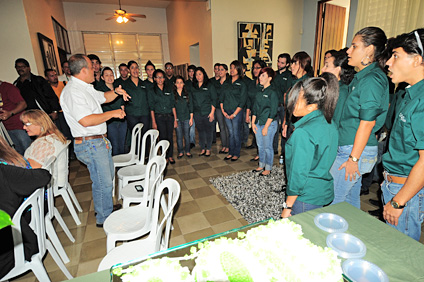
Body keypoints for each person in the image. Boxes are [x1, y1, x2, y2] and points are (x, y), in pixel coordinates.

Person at [60, 54, 129, 227]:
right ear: (83, 70)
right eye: (92, 67)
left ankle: (105, 209)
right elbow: (86, 120)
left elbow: (103, 98)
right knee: (102, 181)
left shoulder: (85, 87)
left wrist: (116, 92)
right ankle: (104, 218)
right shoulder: (73, 92)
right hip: (89, 143)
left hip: (98, 141)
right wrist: (112, 113)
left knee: (106, 179)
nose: (95, 69)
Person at [330, 27, 389, 209]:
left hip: (354, 150)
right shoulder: (362, 77)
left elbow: (368, 122)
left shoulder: (372, 79)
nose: (348, 51)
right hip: (351, 147)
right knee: (349, 201)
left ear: (369, 50)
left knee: (333, 200)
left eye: (354, 46)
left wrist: (353, 159)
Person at [381, 29, 424, 241]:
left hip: (406, 190)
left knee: (401, 258)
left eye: (396, 56)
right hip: (394, 184)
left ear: (417, 60)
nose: (389, 63)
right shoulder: (409, 93)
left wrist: (399, 201)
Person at [281, 73, 339, 217]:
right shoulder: (329, 122)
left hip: (306, 196)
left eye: (297, 100)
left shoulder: (303, 132)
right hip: (322, 190)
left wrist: (287, 206)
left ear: (311, 106)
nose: (292, 104)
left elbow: (298, 174)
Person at [0, 136, 51, 279]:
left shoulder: (3, 169)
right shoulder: (10, 161)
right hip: (19, 234)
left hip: (15, 247)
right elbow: (43, 176)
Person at [251, 67, 278, 176]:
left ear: (270, 78)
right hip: (258, 123)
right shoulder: (259, 92)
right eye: (260, 75)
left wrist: (266, 127)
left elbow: (273, 111)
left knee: (267, 147)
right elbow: (255, 108)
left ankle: (268, 167)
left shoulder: (272, 93)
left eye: (263, 75)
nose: (260, 77)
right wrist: (252, 123)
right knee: (260, 146)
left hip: (269, 124)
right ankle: (261, 164)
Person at [282, 51, 313, 140]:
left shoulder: (308, 83)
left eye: (295, 63)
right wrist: (286, 122)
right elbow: (289, 104)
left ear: (303, 65)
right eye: (292, 63)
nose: (292, 66)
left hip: (300, 125)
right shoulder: (294, 81)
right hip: (291, 121)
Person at [96, 67, 127, 156]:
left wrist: (123, 113)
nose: (109, 77)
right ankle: (116, 165)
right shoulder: (100, 90)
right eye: (106, 75)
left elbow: (122, 104)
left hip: (121, 120)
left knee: (122, 144)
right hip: (110, 122)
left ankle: (122, 165)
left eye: (111, 75)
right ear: (102, 77)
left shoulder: (118, 88)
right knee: (114, 145)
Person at [321, 49, 356, 127]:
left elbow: (336, 122)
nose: (322, 69)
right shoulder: (328, 87)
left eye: (327, 66)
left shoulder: (342, 92)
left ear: (337, 70)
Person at [220, 60, 247, 161]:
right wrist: (223, 111)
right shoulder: (226, 83)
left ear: (239, 69)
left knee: (236, 133)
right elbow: (221, 98)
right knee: (230, 133)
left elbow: (243, 100)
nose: (232, 70)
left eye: (234, 68)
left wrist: (234, 114)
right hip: (226, 111)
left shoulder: (242, 83)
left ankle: (236, 153)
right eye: (231, 68)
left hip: (237, 112)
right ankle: (230, 152)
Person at [149, 69, 177, 164]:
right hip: (159, 117)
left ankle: (170, 156)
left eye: (161, 77)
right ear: (155, 79)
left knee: (170, 137)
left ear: (164, 79)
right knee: (162, 137)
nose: (160, 79)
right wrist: (153, 121)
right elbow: (151, 107)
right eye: (157, 77)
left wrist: (175, 119)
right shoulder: (152, 91)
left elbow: (173, 105)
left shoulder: (169, 90)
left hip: (169, 116)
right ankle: (164, 156)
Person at [123, 60, 150, 147]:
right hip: (132, 114)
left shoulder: (144, 84)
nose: (135, 70)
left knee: (145, 136)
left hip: (144, 114)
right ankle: (137, 156)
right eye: (132, 68)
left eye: (136, 67)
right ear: (128, 71)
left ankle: (145, 156)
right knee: (136, 136)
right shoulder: (125, 84)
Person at [191, 67, 217, 157]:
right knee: (201, 131)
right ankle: (202, 148)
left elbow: (214, 99)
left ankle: (208, 149)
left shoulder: (209, 85)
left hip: (207, 112)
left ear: (204, 74)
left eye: (200, 74)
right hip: (197, 113)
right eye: (196, 74)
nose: (198, 76)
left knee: (209, 131)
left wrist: (212, 112)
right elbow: (191, 100)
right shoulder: (193, 87)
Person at [0, 80, 31, 155]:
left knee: (28, 151)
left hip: (18, 126)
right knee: (17, 154)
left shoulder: (8, 87)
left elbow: (23, 104)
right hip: (5, 129)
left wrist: (10, 113)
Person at [246, 60, 267, 161]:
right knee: (256, 133)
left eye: (258, 68)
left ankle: (262, 155)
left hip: (262, 112)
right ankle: (259, 152)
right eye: (254, 68)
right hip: (254, 111)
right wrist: (248, 112)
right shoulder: (251, 83)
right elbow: (249, 98)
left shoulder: (265, 83)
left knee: (263, 135)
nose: (255, 70)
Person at [273, 53, 292, 157]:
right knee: (274, 128)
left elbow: (288, 91)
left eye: (282, 63)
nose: (279, 64)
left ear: (287, 64)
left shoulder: (289, 76)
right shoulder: (274, 74)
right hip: (275, 105)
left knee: (284, 128)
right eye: (278, 61)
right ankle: (274, 148)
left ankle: (283, 151)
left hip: (284, 106)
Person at [174, 76, 193, 159]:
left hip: (186, 118)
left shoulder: (187, 93)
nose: (179, 84)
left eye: (181, 82)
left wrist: (191, 118)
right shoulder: (173, 94)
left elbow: (191, 106)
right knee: (179, 136)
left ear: (184, 83)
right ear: (175, 84)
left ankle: (188, 151)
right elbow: (172, 107)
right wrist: (175, 119)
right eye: (177, 82)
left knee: (187, 136)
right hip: (177, 119)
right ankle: (180, 152)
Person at [215, 64, 230, 154]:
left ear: (226, 71)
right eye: (218, 70)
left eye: (222, 70)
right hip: (218, 108)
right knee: (222, 127)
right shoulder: (216, 83)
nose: (220, 71)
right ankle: (224, 146)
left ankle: (228, 146)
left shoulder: (229, 82)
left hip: (227, 107)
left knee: (228, 127)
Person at [186, 64, 196, 149]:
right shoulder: (186, 83)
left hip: (199, 107)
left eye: (193, 71)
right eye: (190, 71)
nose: (192, 73)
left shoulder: (199, 82)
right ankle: (191, 141)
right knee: (191, 126)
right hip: (190, 107)